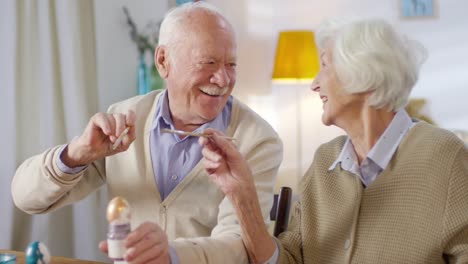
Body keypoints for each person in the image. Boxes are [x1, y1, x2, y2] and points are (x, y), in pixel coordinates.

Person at [11, 2, 283, 264]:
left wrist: (170, 256)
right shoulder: (126, 118)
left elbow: (242, 245)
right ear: (163, 61)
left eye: (231, 64)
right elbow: (25, 198)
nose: (223, 80)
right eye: (208, 62)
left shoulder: (257, 140)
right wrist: (76, 155)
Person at [199, 18, 468, 263]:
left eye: (324, 65)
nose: (314, 84)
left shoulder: (445, 157)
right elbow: (287, 260)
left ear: (363, 74)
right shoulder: (325, 163)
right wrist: (240, 193)